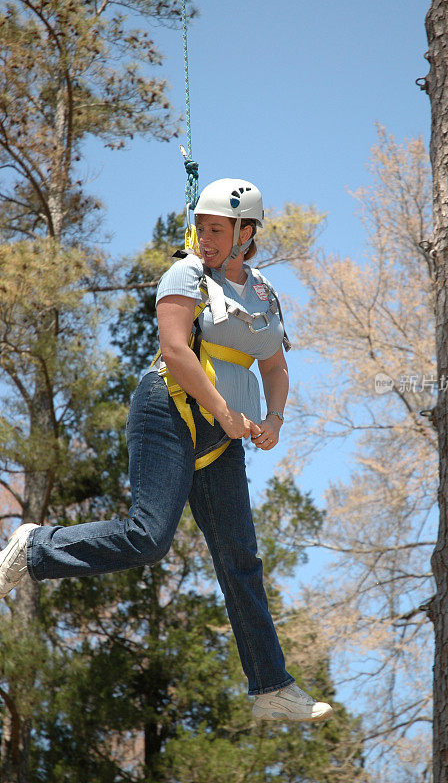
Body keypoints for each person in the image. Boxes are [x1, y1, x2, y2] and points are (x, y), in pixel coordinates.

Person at [0, 179, 333, 723]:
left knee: (240, 558)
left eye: (218, 229)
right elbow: (177, 352)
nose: (206, 236)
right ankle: (36, 547)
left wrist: (274, 419)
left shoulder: (265, 294)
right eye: (201, 226)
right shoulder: (187, 274)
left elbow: (274, 367)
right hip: (170, 409)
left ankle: (271, 687)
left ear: (247, 233)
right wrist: (227, 415)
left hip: (223, 432)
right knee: (148, 537)